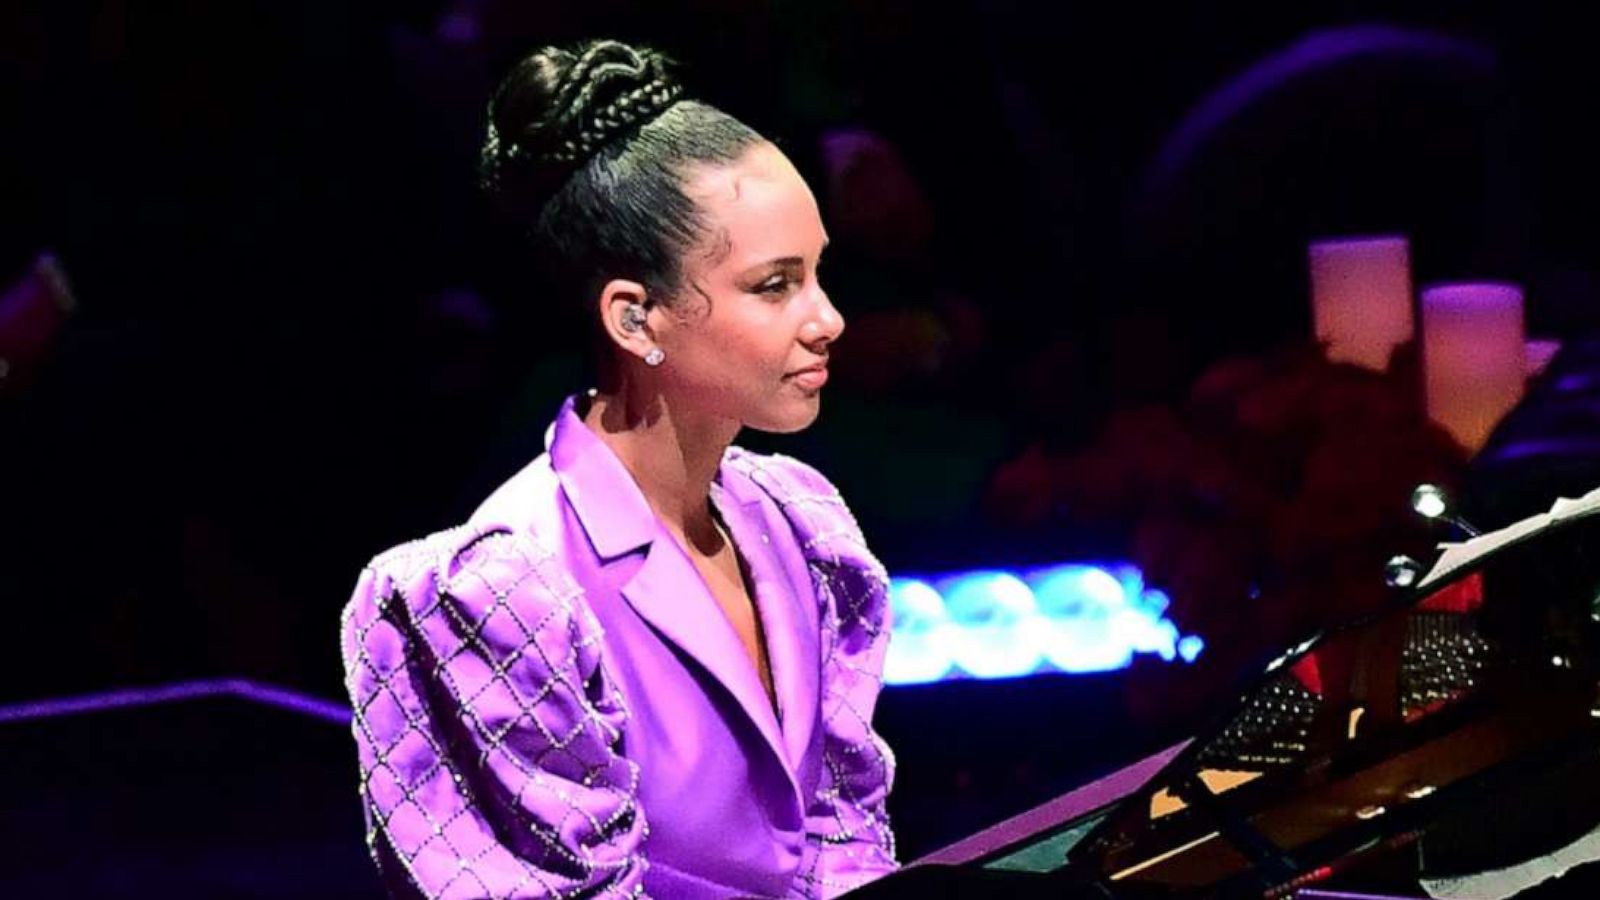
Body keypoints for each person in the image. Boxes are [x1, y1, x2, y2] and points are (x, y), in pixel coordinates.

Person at [340, 39, 898, 899]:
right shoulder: (505, 590)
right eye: (775, 285)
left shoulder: (801, 524)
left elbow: (844, 843)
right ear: (636, 319)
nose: (827, 320)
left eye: (819, 273)